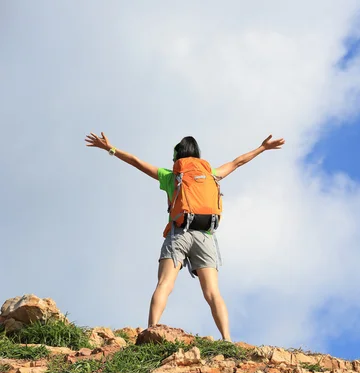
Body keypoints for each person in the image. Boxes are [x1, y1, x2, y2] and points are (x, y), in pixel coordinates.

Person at [85, 132, 285, 341]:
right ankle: (227, 339)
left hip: (179, 233)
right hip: (205, 237)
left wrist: (110, 148)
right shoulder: (212, 174)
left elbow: (136, 162)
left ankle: (152, 330)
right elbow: (237, 162)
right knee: (213, 292)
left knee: (164, 284)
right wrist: (262, 148)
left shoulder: (171, 176)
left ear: (176, 158)